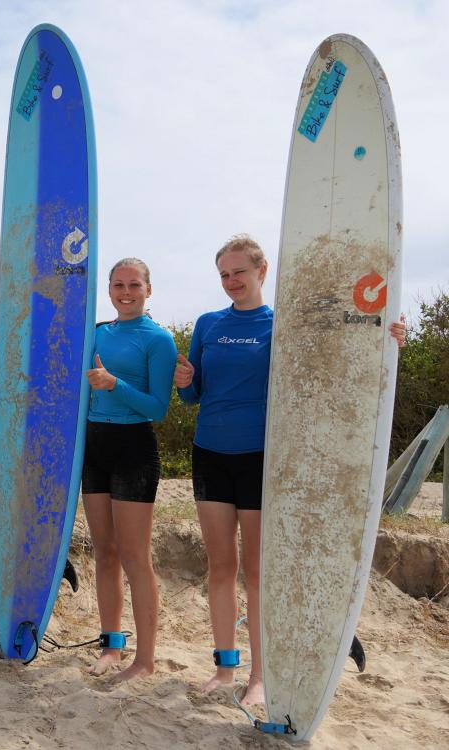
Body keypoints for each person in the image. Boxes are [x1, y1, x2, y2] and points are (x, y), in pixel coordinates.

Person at [174, 234, 405, 704]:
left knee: (258, 571)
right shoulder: (207, 324)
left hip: (263, 459)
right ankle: (224, 667)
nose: (231, 281)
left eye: (239, 271)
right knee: (221, 565)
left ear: (263, 271)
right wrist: (185, 382)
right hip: (210, 453)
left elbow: (342, 357)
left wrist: (389, 336)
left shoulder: (286, 324)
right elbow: (192, 395)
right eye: (223, 274)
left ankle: (260, 676)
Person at [82, 257, 177, 681]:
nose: (126, 291)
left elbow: (157, 408)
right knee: (105, 553)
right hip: (94, 446)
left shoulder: (158, 340)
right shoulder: (97, 332)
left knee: (136, 556)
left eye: (134, 285)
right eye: (118, 284)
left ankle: (146, 659)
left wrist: (114, 384)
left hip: (134, 449)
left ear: (148, 290)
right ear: (109, 289)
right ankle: (112, 644)